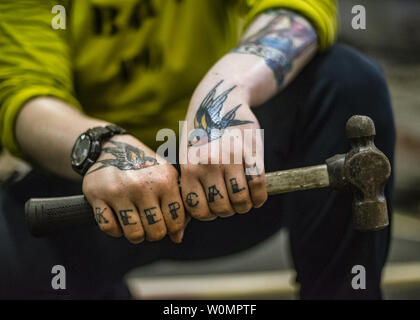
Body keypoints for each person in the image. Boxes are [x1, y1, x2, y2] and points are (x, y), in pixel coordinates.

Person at [0, 0, 395, 299]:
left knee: (346, 82)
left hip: (234, 174)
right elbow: (23, 92)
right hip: (98, 197)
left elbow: (296, 11)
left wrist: (223, 91)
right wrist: (103, 148)